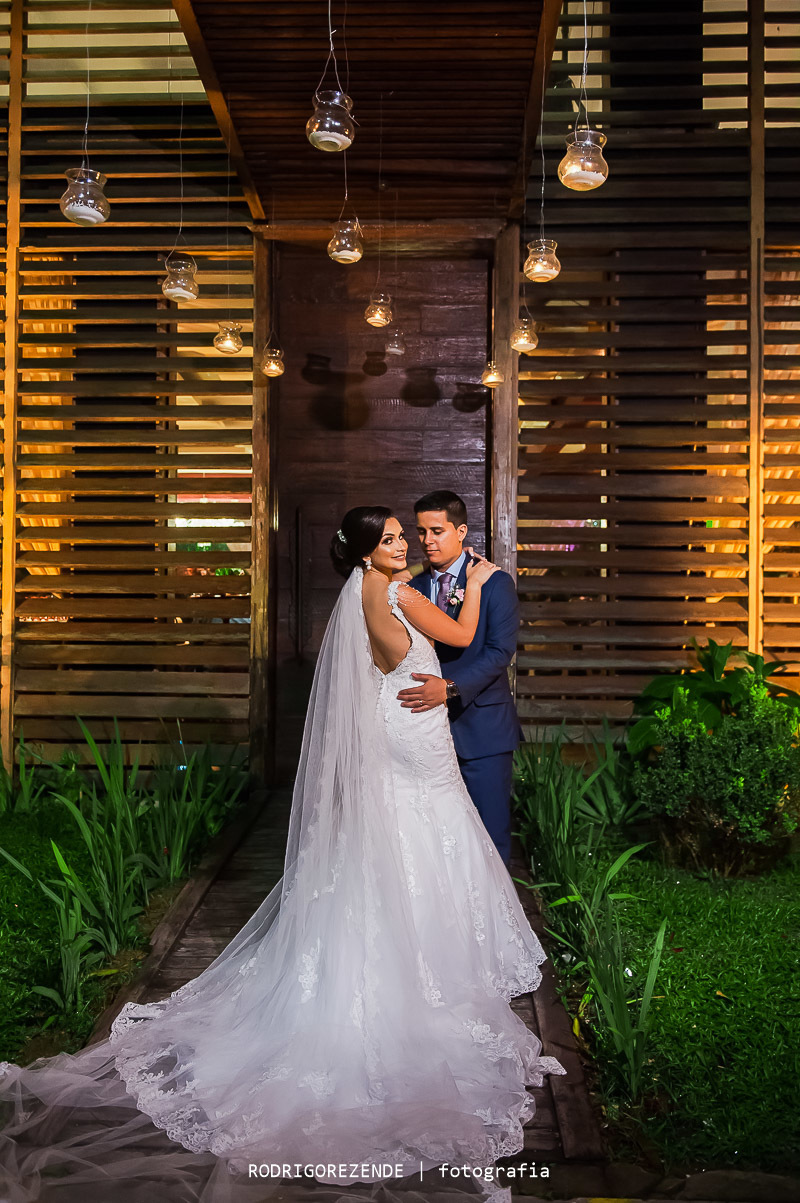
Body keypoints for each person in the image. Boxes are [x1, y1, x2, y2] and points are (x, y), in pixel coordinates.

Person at [0, 505, 565, 1203]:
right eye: (391, 539)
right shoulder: (394, 591)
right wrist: (474, 584)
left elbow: (416, 651)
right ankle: (437, 954)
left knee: (422, 831)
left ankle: (427, 938)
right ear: (367, 553)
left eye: (405, 536)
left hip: (402, 726)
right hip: (415, 733)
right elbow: (447, 637)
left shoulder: (365, 592)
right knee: (433, 827)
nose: (404, 546)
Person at [398, 491, 522, 867]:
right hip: (426, 731)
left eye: (437, 530)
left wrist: (450, 687)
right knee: (435, 839)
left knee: (489, 835)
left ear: (461, 530)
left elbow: (500, 652)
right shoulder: (410, 589)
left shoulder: (495, 583)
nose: (427, 540)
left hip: (482, 728)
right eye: (421, 531)